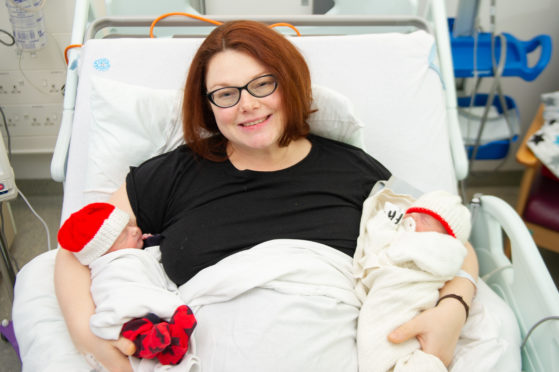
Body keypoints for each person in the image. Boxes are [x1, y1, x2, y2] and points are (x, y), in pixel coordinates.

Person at [54, 20, 478, 372]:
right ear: (208, 106)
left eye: (262, 84)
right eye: (226, 94)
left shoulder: (351, 168)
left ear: (289, 83)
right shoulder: (175, 173)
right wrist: (84, 332)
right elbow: (75, 249)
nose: (247, 105)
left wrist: (454, 307)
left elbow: (446, 241)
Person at [57, 202, 197, 368]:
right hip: (124, 304)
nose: (135, 230)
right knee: (138, 324)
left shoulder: (136, 251)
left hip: (141, 312)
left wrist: (153, 243)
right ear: (104, 252)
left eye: (130, 225)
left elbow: (154, 259)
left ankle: (159, 342)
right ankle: (155, 343)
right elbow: (118, 290)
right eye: (124, 235)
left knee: (146, 325)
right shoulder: (108, 268)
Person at [354, 189, 475, 372]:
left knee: (401, 350)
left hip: (410, 294)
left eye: (426, 219)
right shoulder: (404, 229)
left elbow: (398, 251)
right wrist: (386, 221)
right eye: (414, 213)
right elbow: (375, 243)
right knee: (377, 339)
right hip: (387, 290)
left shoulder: (444, 249)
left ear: (446, 235)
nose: (414, 219)